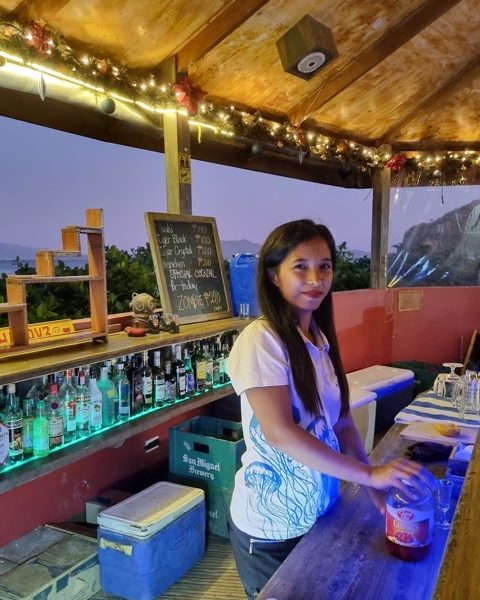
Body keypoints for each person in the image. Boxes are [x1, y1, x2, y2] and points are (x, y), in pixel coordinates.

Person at [227, 219, 435, 599]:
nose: (315, 278)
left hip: (321, 510)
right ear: (273, 275)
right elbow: (280, 432)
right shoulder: (261, 340)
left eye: (324, 266)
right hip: (272, 525)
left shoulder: (318, 339)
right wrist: (369, 474)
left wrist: (372, 486)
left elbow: (342, 423)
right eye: (300, 266)